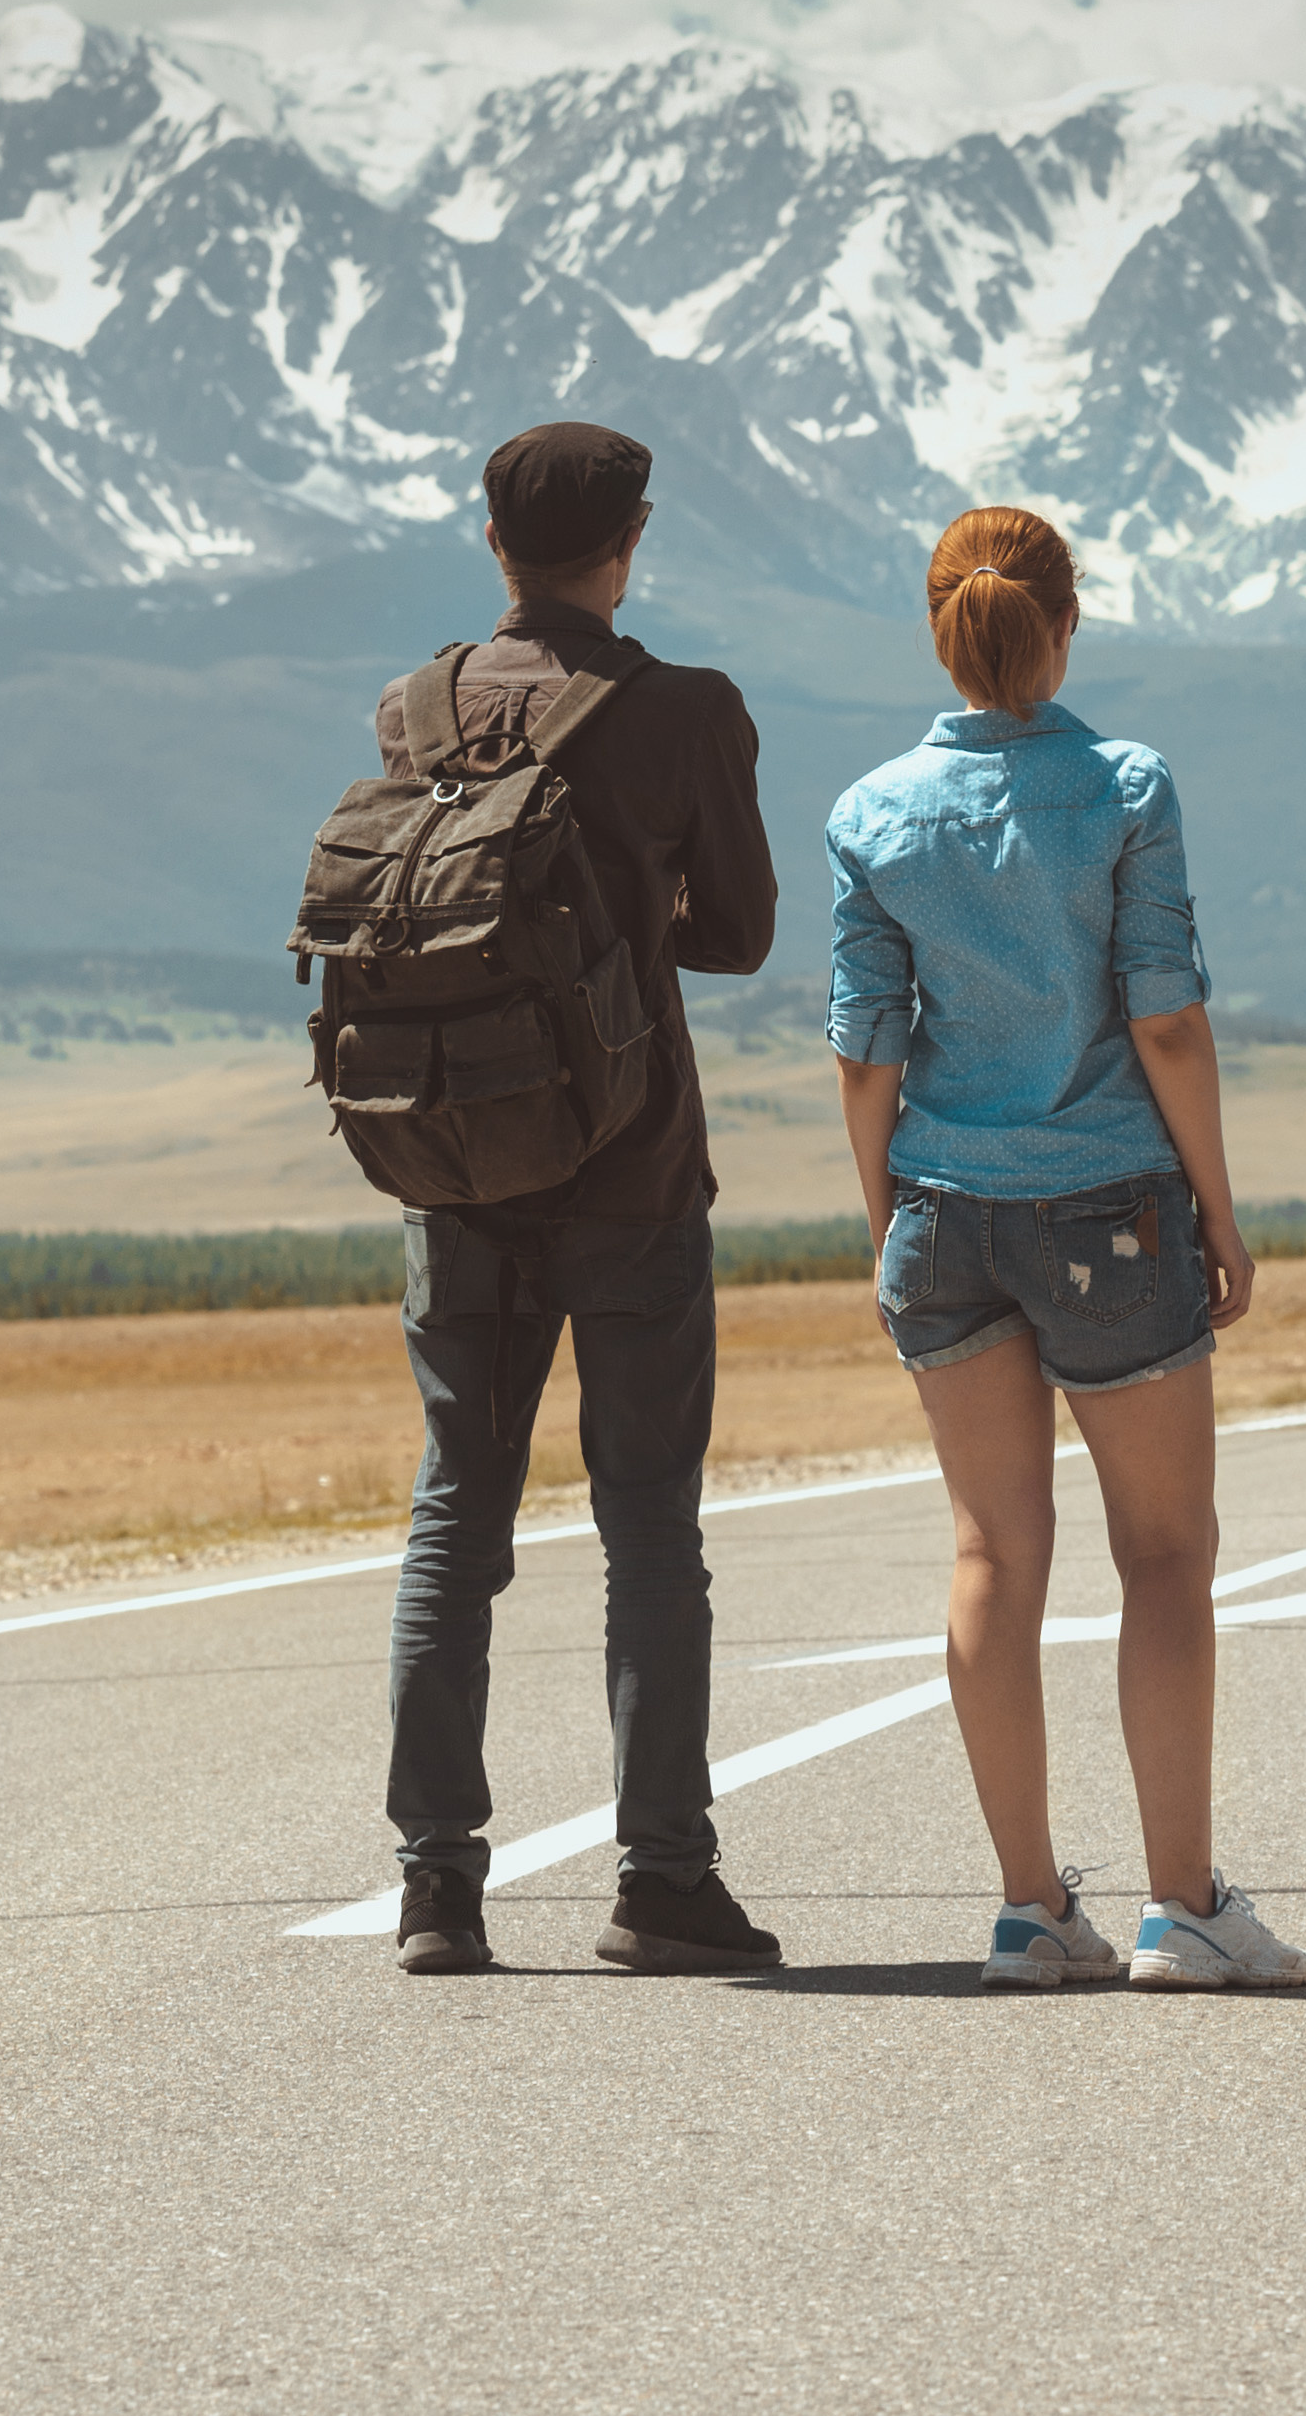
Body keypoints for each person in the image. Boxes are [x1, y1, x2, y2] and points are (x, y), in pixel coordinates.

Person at [828, 508, 1306, 1992]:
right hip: (1109, 1205)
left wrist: (886, 1226)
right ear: (1065, 623)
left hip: (940, 1211)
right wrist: (1219, 1211)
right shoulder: (1122, 787)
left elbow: (866, 1051)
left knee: (992, 1553)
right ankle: (1184, 1908)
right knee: (1166, 1555)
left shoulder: (870, 811)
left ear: (940, 627)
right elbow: (1164, 1013)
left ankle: (1030, 1910)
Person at [377, 423, 785, 1978]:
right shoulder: (682, 710)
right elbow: (738, 931)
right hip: (627, 1170)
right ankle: (661, 1879)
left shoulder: (411, 709)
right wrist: (625, 915)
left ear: (492, 543)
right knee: (646, 1532)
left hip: (453, 1172)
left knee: (452, 1525)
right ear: (633, 541)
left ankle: (436, 1889)